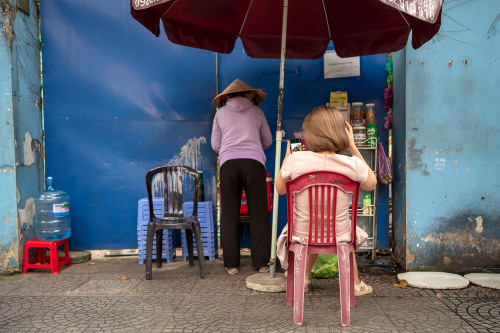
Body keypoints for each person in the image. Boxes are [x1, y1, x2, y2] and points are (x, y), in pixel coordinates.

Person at [275, 105, 377, 295]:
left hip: (301, 233)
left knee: (314, 226)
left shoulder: (296, 161)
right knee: (340, 226)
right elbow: (371, 184)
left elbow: (280, 189)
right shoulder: (352, 163)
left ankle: (303, 279)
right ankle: (355, 284)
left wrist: (287, 159)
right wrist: (353, 148)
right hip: (340, 234)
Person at [211, 79, 273, 275]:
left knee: (229, 214)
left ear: (227, 97)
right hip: (254, 164)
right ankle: (262, 264)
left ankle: (231, 265)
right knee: (259, 214)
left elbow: (215, 145)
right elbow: (268, 140)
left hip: (228, 165)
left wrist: (230, 152)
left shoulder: (220, 113)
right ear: (249, 94)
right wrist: (253, 150)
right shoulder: (257, 112)